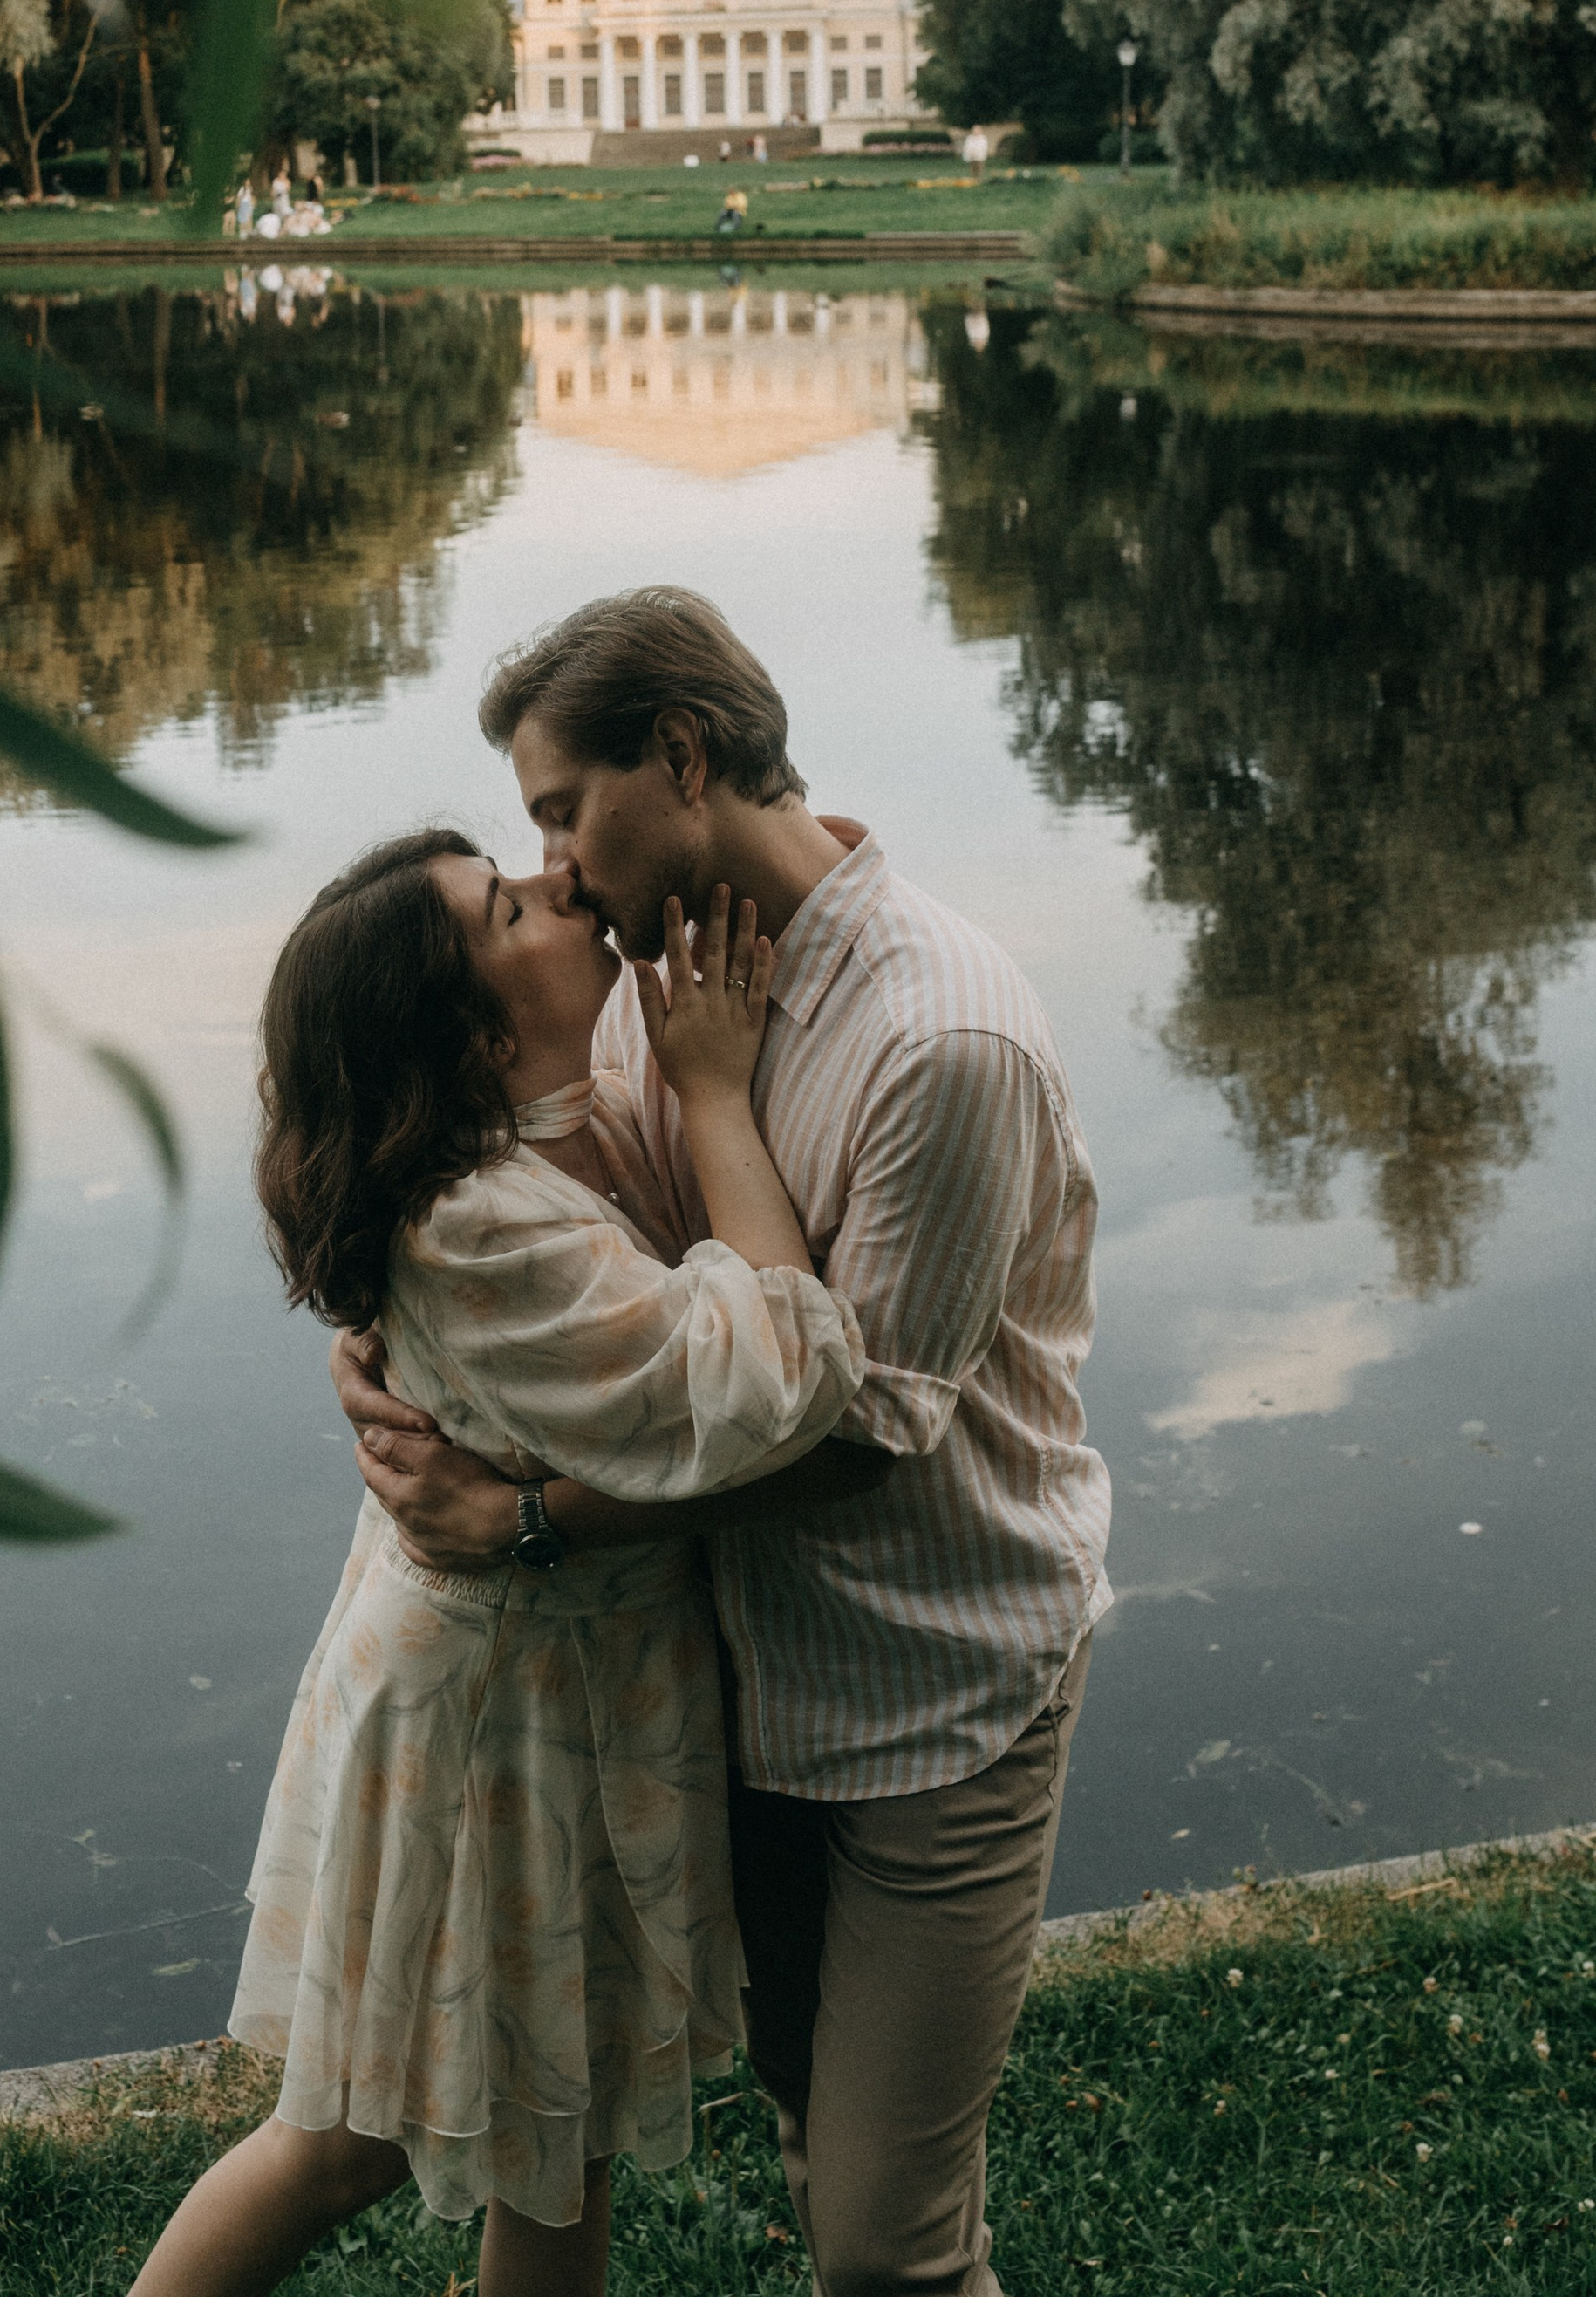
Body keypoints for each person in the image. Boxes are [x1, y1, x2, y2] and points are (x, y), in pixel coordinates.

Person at [337, 590, 1110, 2297]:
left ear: (680, 758)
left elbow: (858, 1441)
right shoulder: (645, 982)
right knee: (816, 2144)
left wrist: (524, 1520)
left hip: (927, 1690)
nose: (550, 865)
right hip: (730, 1688)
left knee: (889, 2250)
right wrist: (393, 1341)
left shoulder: (940, 1038)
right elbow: (578, 1257)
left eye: (561, 810)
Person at [134, 842, 874, 2297]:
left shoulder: (553, 1133)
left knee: (559, 2127)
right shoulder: (478, 1224)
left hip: (572, 1695)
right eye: (509, 908)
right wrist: (720, 1093)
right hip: (497, 1728)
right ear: (471, 1033)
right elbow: (781, 1377)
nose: (560, 886)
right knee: (343, 2139)